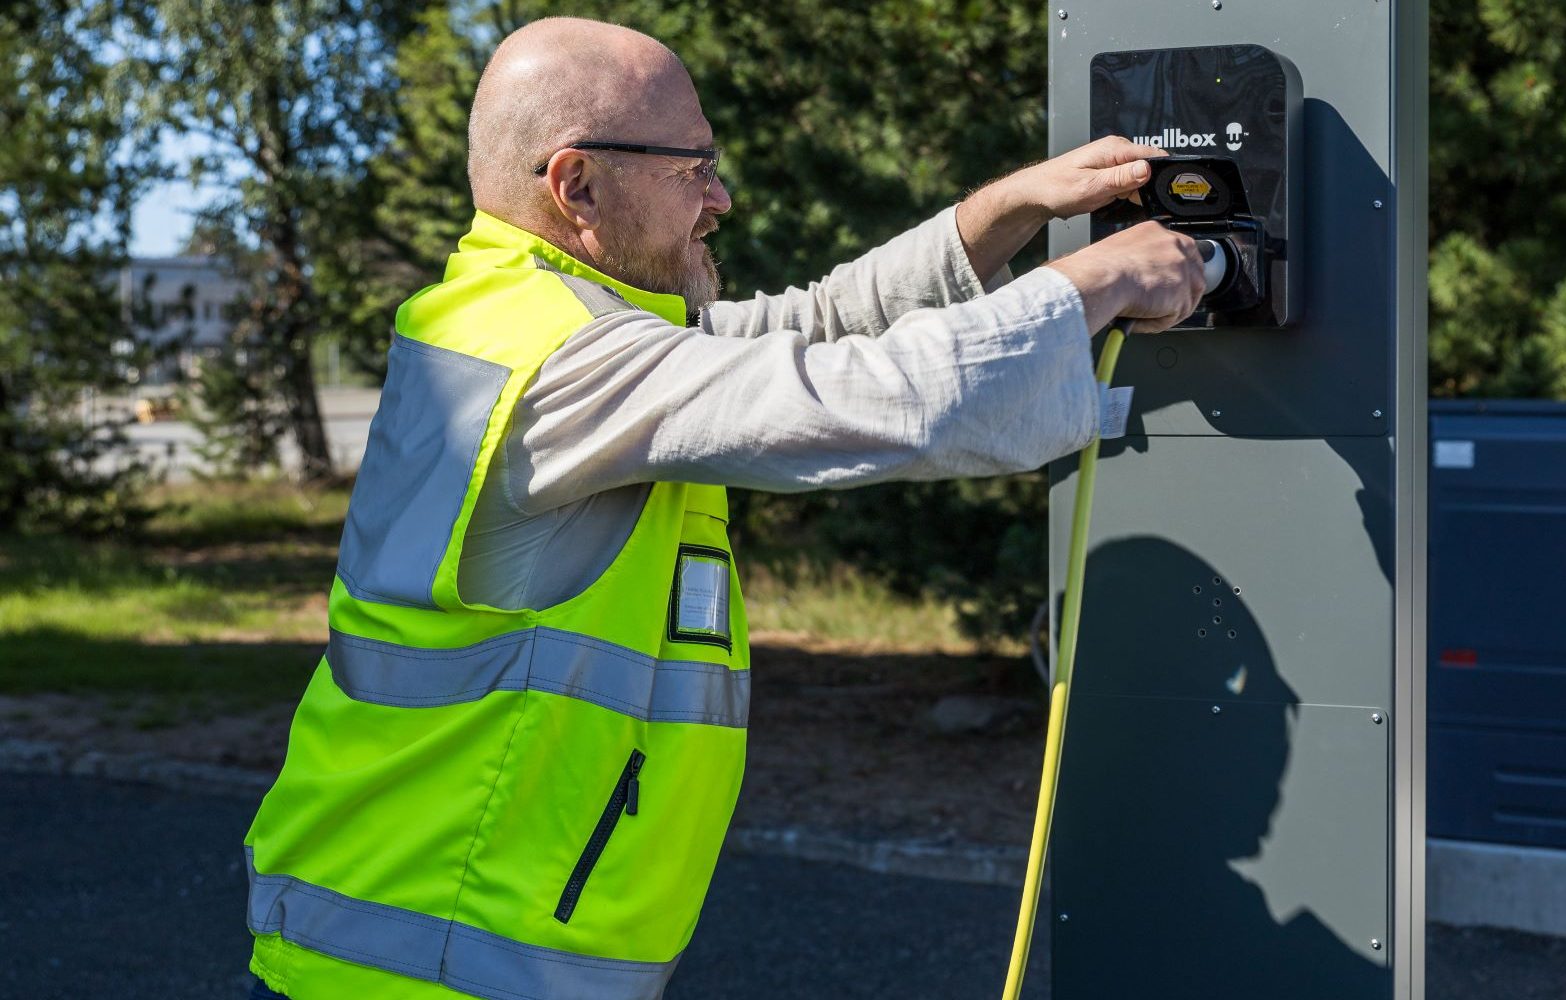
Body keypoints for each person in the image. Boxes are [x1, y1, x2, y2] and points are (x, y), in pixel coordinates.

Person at [238, 15, 1204, 1000]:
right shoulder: (557, 363)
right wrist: (1097, 278)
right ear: (576, 185)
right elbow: (874, 400)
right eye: (690, 167)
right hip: (423, 965)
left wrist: (1005, 208)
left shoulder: (535, 320)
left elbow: (813, 326)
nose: (719, 198)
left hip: (440, 951)